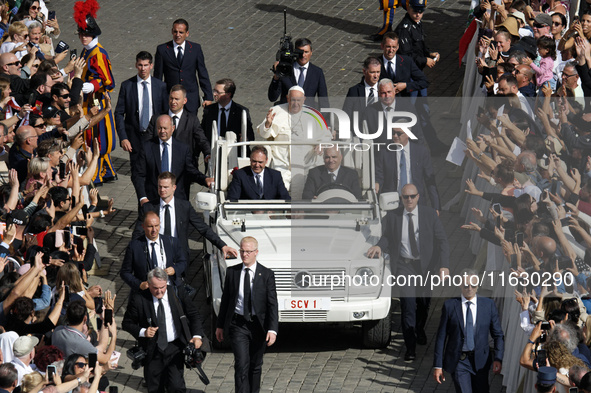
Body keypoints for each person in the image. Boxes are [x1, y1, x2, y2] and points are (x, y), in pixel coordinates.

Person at [367, 183, 449, 361]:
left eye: (412, 196)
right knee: (408, 305)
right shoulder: (393, 216)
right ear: (401, 198)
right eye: (406, 197)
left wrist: (444, 265)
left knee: (424, 303)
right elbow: (388, 237)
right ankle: (410, 347)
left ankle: (419, 328)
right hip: (405, 266)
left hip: (425, 266)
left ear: (418, 197)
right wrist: (379, 246)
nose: (409, 200)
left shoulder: (429, 215)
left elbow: (442, 241)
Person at [122, 267, 204, 393]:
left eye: (162, 287)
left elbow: (194, 315)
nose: (159, 291)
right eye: (155, 288)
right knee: (155, 388)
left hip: (175, 348)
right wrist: (143, 331)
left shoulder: (177, 293)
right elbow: (127, 323)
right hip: (152, 350)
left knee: (177, 387)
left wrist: (197, 336)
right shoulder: (139, 299)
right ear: (148, 285)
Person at [215, 236, 278, 393]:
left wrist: (272, 329)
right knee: (241, 364)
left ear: (256, 252)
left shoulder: (267, 275)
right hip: (239, 325)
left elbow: (272, 304)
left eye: (248, 251)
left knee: (255, 365)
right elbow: (226, 301)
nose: (244, 255)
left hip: (259, 326)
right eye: (242, 251)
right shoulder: (232, 272)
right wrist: (220, 325)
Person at [135, 172, 238, 259]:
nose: (162, 190)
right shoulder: (148, 207)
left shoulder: (184, 206)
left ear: (174, 187)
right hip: (154, 255)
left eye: (166, 187)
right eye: (160, 187)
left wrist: (222, 246)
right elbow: (138, 233)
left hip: (178, 256)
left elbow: (203, 228)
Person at [432, 269, 504, 392]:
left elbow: (498, 334)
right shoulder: (450, 306)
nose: (469, 288)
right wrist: (438, 365)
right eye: (466, 285)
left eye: (473, 285)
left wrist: (498, 358)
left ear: (478, 285)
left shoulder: (488, 305)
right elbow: (441, 337)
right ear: (460, 285)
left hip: (481, 361)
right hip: (460, 361)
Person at [258, 86, 332, 193]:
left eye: (299, 100)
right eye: (293, 100)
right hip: (282, 162)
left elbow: (326, 136)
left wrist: (321, 144)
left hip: (307, 163)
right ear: (287, 98)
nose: (295, 103)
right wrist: (268, 123)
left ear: (304, 99)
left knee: (308, 189)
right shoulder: (276, 111)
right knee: (279, 190)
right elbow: (263, 134)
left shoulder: (314, 114)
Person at [74, 2, 117, 184]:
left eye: (87, 34)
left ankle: (98, 173)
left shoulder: (98, 53)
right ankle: (108, 171)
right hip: (87, 102)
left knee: (96, 137)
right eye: (82, 33)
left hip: (96, 103)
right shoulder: (87, 50)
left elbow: (108, 80)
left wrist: (92, 85)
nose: (84, 37)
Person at [132, 114, 211, 204]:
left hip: (177, 200)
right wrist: (143, 197)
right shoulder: (147, 147)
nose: (162, 131)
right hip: (152, 200)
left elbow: (191, 171)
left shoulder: (182, 149)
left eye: (165, 128)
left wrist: (205, 179)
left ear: (173, 128)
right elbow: (138, 175)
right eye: (159, 128)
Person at [115, 51, 168, 174]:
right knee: (137, 173)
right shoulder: (127, 86)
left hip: (155, 136)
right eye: (140, 65)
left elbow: (165, 113)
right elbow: (119, 113)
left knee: (155, 171)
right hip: (134, 138)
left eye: (145, 65)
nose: (143, 69)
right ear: (136, 65)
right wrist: (123, 138)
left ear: (151, 65)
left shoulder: (160, 86)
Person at [145, 84, 210, 173]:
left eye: (177, 99)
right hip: (161, 167)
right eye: (171, 98)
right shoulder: (157, 118)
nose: (173, 102)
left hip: (183, 169)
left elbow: (201, 139)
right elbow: (147, 142)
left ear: (184, 100)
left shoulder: (192, 120)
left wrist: (208, 153)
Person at [154, 19, 213, 114]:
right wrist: (157, 99)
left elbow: (202, 73)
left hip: (190, 99)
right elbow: (158, 77)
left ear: (187, 33)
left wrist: (208, 96)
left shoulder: (195, 49)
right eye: (175, 31)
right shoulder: (163, 50)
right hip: (170, 100)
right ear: (172, 31)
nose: (178, 35)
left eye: (181, 32)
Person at [374, 126, 440, 211]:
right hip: (392, 200)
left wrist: (436, 206)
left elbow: (430, 180)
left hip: (414, 200)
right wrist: (377, 182)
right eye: (393, 133)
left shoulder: (421, 152)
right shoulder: (385, 152)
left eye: (399, 133)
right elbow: (379, 174)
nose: (395, 136)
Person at [120, 211, 186, 292]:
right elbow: (125, 272)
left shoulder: (172, 242)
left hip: (168, 289)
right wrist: (139, 284)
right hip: (146, 292)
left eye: (156, 226)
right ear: (143, 226)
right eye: (150, 226)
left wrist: (174, 269)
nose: (154, 230)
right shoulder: (134, 246)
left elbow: (182, 262)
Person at [267, 38, 329, 110]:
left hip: (307, 115)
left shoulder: (317, 72)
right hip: (287, 113)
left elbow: (324, 101)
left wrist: (325, 119)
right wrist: (276, 77)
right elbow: (272, 97)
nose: (303, 55)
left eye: (306, 52)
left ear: (311, 52)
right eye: (300, 52)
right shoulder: (285, 69)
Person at [201, 78, 254, 147]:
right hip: (214, 152)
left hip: (234, 152)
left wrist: (245, 139)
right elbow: (202, 133)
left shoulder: (241, 111)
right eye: (214, 91)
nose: (214, 94)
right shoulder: (209, 110)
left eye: (217, 92)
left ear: (228, 94)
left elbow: (250, 136)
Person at [378, 32, 428, 96]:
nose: (391, 50)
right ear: (382, 46)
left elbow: (424, 82)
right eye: (388, 47)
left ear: (398, 47)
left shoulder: (407, 61)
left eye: (394, 47)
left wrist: (406, 85)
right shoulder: (375, 63)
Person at [341, 56, 381, 126]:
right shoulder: (354, 91)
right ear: (364, 72)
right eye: (372, 72)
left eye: (378, 72)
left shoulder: (385, 90)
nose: (376, 76)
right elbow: (346, 115)